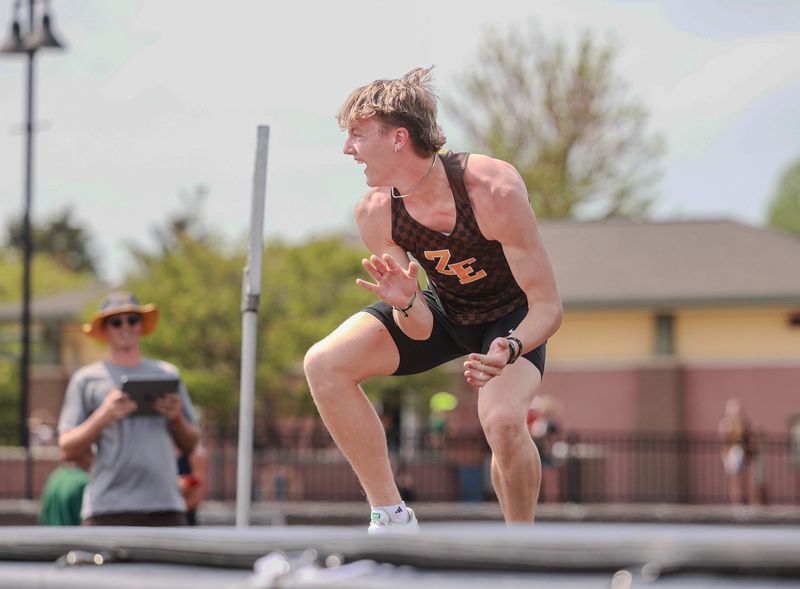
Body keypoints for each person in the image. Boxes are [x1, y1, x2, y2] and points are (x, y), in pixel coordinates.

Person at [304, 67, 562, 532]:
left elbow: (547, 306)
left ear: (398, 137)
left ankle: (522, 545)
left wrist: (511, 347)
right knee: (323, 364)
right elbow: (420, 330)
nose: (347, 149)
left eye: (357, 135)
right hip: (441, 310)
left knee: (503, 422)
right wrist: (405, 302)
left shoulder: (492, 189)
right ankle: (391, 514)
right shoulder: (376, 212)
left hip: (510, 317)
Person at [57, 292, 200, 526]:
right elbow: (67, 449)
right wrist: (103, 416)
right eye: (116, 321)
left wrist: (176, 418)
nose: (125, 326)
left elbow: (191, 443)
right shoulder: (86, 379)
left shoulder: (167, 374)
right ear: (105, 329)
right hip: (107, 509)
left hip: (165, 507)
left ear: (141, 325)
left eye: (132, 319)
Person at [38, 449, 92, 526]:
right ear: (86, 455)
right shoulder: (84, 482)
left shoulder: (55, 477)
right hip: (74, 537)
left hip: (50, 536)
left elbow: (43, 517)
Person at [718, 398, 756, 505]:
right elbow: (724, 442)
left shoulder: (744, 423)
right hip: (733, 453)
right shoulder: (726, 424)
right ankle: (736, 504)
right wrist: (725, 457)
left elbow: (750, 439)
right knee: (735, 480)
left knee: (748, 480)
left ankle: (749, 503)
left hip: (745, 453)